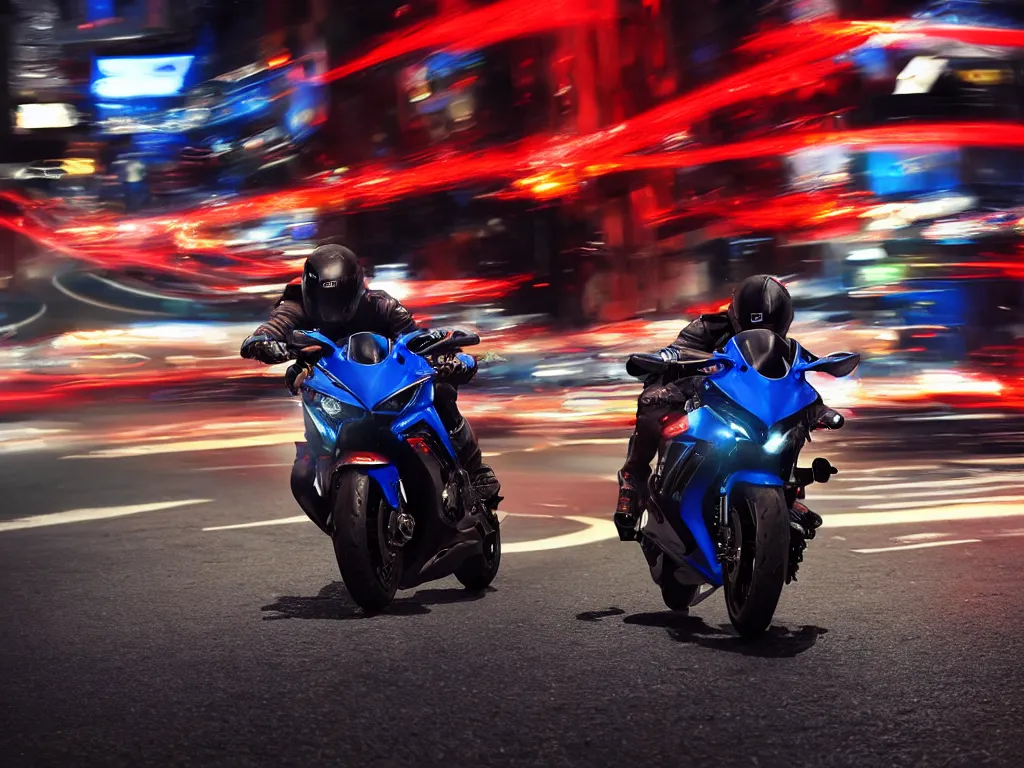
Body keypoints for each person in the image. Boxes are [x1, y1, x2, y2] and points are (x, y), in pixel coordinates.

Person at [240, 243, 501, 531]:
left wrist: (446, 360)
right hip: (333, 391)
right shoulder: (295, 305)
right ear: (308, 291)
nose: (330, 308)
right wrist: (263, 343)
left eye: (338, 298)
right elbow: (273, 328)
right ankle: (333, 494)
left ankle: (476, 471)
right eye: (323, 298)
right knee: (302, 469)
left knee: (441, 392)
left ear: (356, 290)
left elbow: (414, 340)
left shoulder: (381, 305)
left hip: (382, 384)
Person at [613, 274, 829, 548]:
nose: (761, 329)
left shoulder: (785, 349)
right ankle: (634, 477)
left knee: (798, 419)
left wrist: (818, 406)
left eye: (769, 323)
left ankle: (788, 491)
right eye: (752, 320)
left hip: (754, 411)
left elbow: (799, 379)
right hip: (703, 398)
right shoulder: (707, 327)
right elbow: (678, 350)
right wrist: (668, 359)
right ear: (736, 313)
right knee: (654, 398)